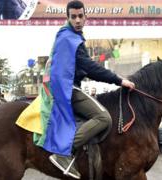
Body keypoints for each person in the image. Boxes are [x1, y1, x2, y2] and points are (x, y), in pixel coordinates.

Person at [45, 1, 135, 179]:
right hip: (67, 89)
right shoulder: (71, 40)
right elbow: (91, 67)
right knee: (104, 118)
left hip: (67, 86)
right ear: (68, 18)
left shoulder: (70, 37)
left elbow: (86, 70)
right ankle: (65, 152)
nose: (77, 20)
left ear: (86, 17)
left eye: (80, 16)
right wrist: (119, 80)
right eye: (73, 17)